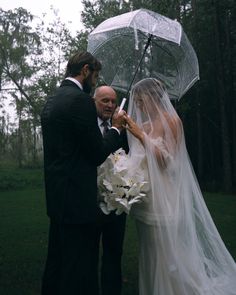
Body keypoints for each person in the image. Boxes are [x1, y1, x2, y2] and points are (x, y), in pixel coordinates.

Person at [123, 78, 236, 295]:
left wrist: (140, 135)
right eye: (135, 101)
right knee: (150, 250)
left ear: (152, 97)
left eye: (140, 100)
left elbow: (169, 162)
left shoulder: (172, 122)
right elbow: (138, 159)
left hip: (164, 198)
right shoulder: (144, 125)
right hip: (145, 198)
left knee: (166, 249)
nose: (137, 105)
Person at [40, 51, 127, 295]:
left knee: (57, 263)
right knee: (79, 269)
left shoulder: (53, 99)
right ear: (86, 70)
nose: (95, 82)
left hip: (57, 199)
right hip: (78, 202)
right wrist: (117, 129)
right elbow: (97, 152)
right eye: (96, 76)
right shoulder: (79, 101)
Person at [93, 85, 128, 295]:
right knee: (88, 254)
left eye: (113, 101)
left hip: (116, 203)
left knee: (114, 254)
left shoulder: (123, 128)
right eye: (104, 100)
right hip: (91, 202)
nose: (110, 105)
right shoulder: (86, 126)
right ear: (93, 101)